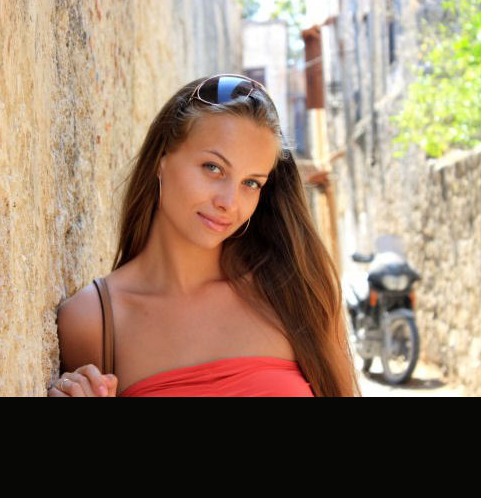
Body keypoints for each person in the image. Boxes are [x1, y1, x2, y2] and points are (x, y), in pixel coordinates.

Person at [48, 74, 361, 397]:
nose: (229, 202)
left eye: (251, 183)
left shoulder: (299, 292)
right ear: (161, 161)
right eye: (213, 168)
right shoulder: (94, 321)